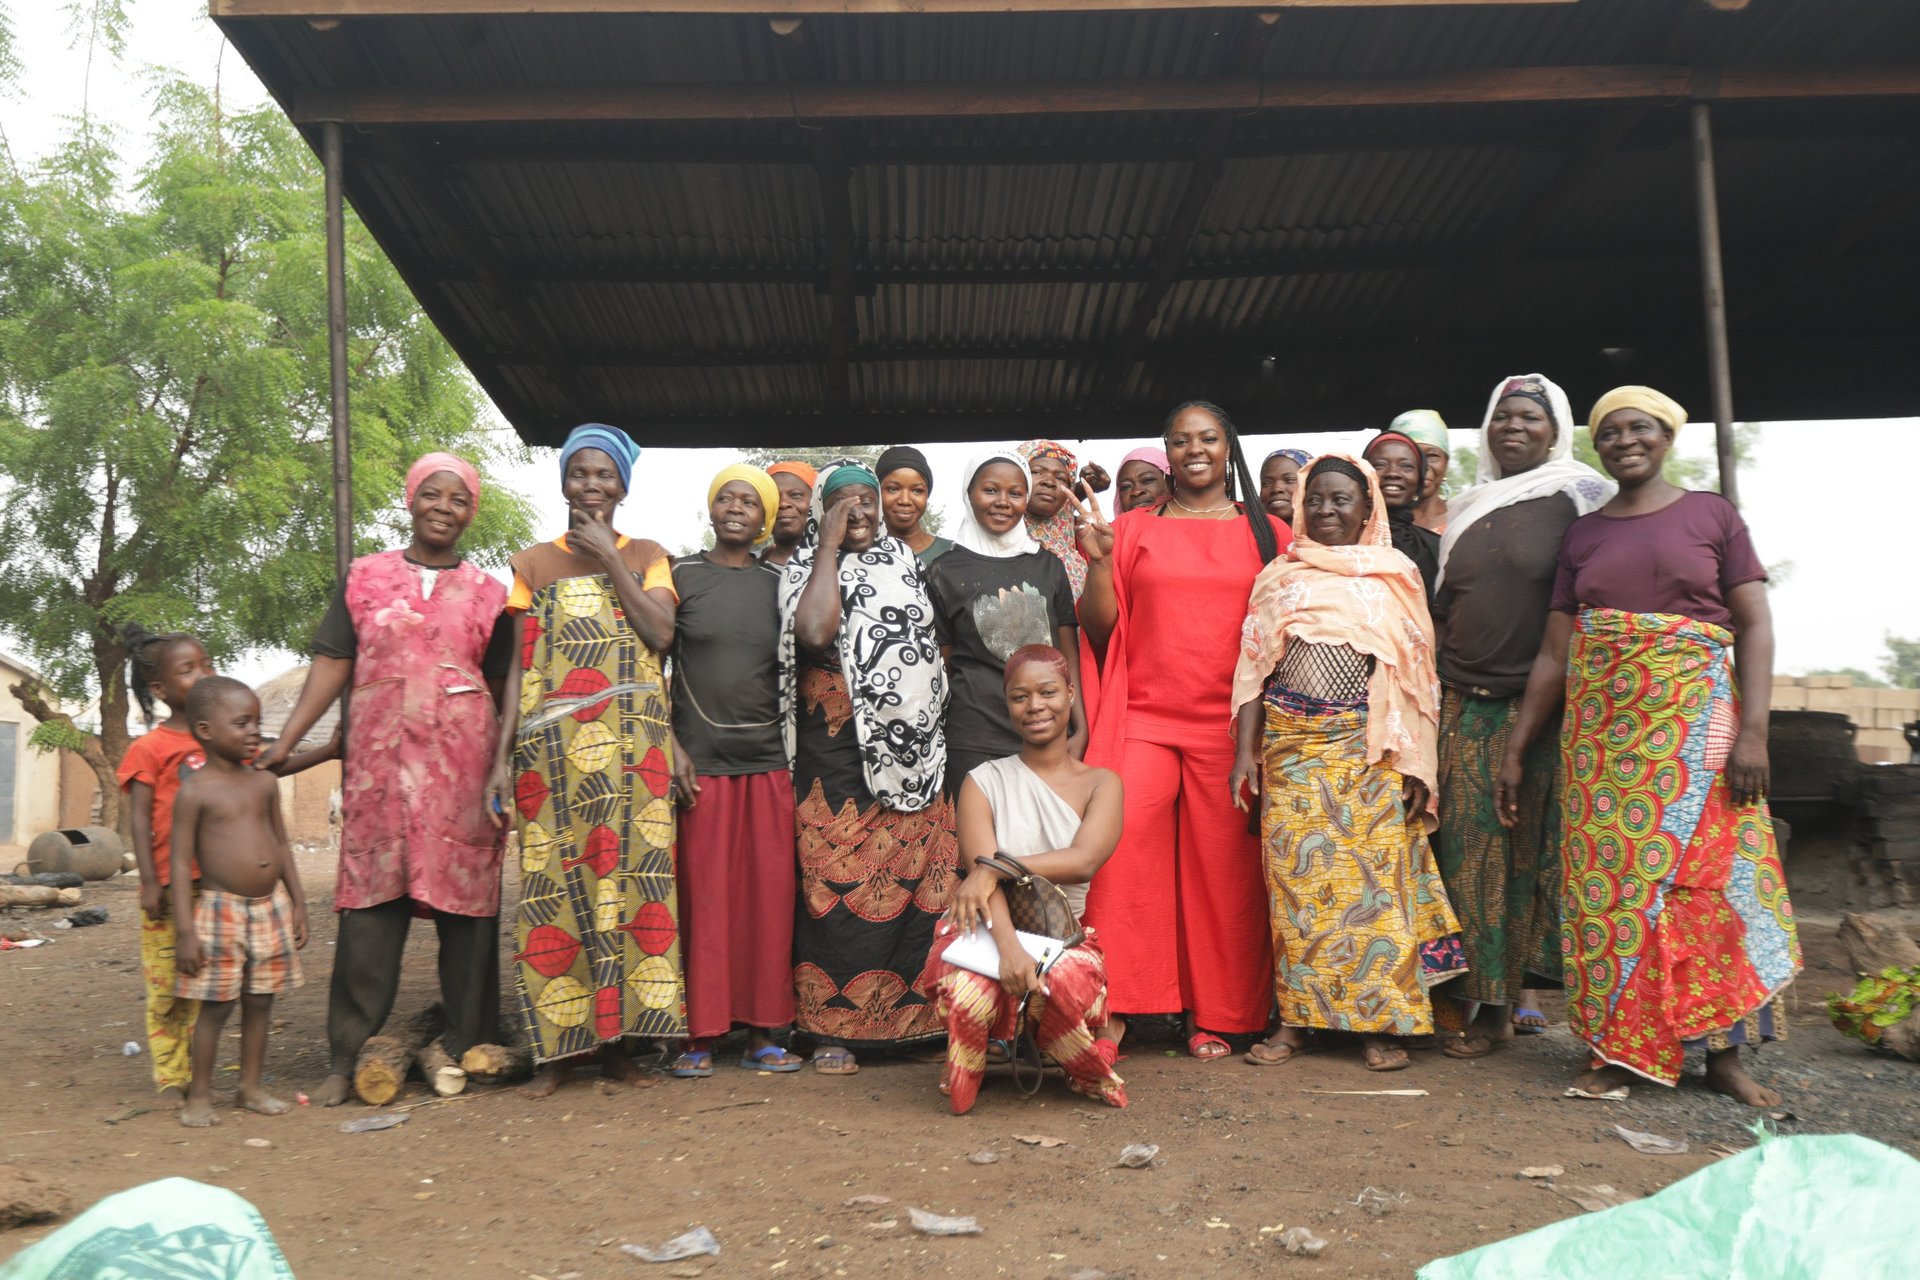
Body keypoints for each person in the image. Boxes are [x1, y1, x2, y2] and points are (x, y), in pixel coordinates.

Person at [1497, 385, 1800, 1106]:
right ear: (1596, 447)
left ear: (1665, 437)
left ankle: (1722, 1056)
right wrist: (1517, 746)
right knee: (1611, 894)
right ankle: (1617, 1049)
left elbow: (1754, 623)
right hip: (1602, 745)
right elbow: (1554, 654)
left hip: (1698, 728)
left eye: (1639, 429)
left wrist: (1753, 731)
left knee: (1709, 885)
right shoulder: (1586, 533)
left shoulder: (1711, 515)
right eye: (1610, 433)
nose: (1624, 441)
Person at [258, 451, 513, 1108]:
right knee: (370, 911)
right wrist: (288, 742)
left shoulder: (491, 593)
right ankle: (347, 1058)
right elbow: (331, 665)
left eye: (459, 499)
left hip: (464, 775)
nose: (445, 508)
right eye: (433, 494)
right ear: (411, 499)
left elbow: (508, 685)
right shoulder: (364, 580)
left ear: (470, 511)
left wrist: (503, 766)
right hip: (379, 774)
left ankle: (468, 1045)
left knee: (468, 912)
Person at [1229, 455, 1463, 1073]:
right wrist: (1242, 756)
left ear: (1368, 509)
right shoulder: (1279, 576)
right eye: (1318, 501)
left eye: (1342, 501)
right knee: (1295, 892)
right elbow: (1254, 667)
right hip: (1290, 750)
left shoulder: (1396, 576)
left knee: (1374, 888)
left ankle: (1379, 1022)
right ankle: (1296, 1022)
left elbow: (1416, 679)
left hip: (1369, 748)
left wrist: (1417, 765)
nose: (1328, 512)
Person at [1072, 401, 1291, 1058]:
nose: (1194, 450)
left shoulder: (1270, 531)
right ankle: (1112, 1008)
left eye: (1208, 439)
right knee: (1119, 854)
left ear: (1229, 447)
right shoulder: (1132, 527)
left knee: (1225, 870)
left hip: (1231, 728)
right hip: (1145, 716)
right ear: (1167, 453)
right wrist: (1101, 565)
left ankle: (1221, 1015)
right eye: (1180, 441)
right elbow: (1102, 629)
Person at [486, 424, 688, 1097]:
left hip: (636, 755)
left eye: (605, 476)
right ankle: (556, 1055)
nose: (592, 486)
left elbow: (660, 634)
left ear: (623, 486)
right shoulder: (531, 563)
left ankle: (622, 1050)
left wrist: (609, 559)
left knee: (630, 890)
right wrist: (499, 759)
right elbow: (517, 669)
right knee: (551, 895)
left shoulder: (653, 556)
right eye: (580, 474)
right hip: (552, 760)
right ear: (564, 481)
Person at [1430, 374, 1613, 1056]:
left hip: (1542, 709)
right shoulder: (1469, 506)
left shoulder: (1582, 498)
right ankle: (1487, 1006)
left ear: (1557, 429)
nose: (1514, 427)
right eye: (1503, 416)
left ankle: (1546, 1008)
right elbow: (1448, 608)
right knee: (1471, 860)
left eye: (1531, 417)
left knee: (1534, 856)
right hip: (1463, 704)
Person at [779, 460, 957, 1075]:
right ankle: (834, 1029)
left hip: (913, 753)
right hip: (834, 756)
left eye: (866, 499)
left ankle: (919, 1022)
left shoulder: (904, 562)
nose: (858, 510)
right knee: (833, 879)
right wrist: (827, 545)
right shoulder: (805, 564)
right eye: (842, 501)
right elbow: (814, 629)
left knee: (917, 880)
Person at [919, 645, 1128, 1113]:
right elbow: (980, 886)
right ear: (1007, 704)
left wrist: (996, 865)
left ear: (1071, 695)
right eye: (1020, 697)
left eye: (1048, 692)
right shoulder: (981, 780)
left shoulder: (1102, 784)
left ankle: (1091, 1044)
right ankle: (973, 1057)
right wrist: (1010, 949)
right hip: (988, 931)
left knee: (1065, 982)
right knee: (968, 988)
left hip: (1059, 937)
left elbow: (1082, 861)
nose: (1035, 706)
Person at [667, 464, 801, 1078]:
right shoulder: (680, 576)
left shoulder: (782, 582)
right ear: (712, 508)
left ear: (766, 515)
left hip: (770, 760)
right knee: (705, 901)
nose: (739, 508)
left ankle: (760, 1033)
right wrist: (669, 743)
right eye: (728, 497)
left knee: (766, 903)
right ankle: (698, 1034)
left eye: (752, 500)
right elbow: (650, 664)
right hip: (701, 765)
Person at [170, 677, 310, 1128]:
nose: (255, 731)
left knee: (261, 1000)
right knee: (216, 1006)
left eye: (258, 722)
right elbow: (176, 864)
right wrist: (185, 932)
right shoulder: (195, 791)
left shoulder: (264, 783)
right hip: (218, 910)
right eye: (243, 723)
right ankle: (200, 1095)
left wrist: (299, 903)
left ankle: (249, 1087)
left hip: (269, 908)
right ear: (207, 730)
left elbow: (282, 845)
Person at [925, 451, 1085, 792]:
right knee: (981, 841)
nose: (1003, 502)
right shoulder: (944, 571)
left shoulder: (1048, 566)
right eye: (990, 490)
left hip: (1047, 729)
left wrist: (1079, 727)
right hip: (974, 734)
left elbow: (1068, 657)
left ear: (1025, 499)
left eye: (1015, 493)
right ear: (969, 494)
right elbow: (945, 662)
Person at [1361, 431, 1442, 609]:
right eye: (1380, 465)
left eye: (1406, 466)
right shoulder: (1343, 543)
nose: (1392, 473)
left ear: (1419, 482)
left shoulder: (1436, 548)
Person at [1017, 439, 1089, 599]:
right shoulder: (991, 549)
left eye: (1061, 478)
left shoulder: (1077, 562)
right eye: (1036, 472)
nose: (1049, 482)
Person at [876, 446, 953, 567]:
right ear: (877, 492)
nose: (905, 500)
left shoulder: (952, 553)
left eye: (917, 491)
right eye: (893, 489)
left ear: (927, 495)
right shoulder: (861, 556)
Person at [1389, 410, 1452, 533]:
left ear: (1446, 464)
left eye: (1432, 456)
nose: (1423, 466)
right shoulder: (1375, 522)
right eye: (1411, 456)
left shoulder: (1464, 519)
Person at [761, 461, 817, 567]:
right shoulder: (749, 566)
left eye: (795, 495)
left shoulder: (838, 564)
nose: (783, 504)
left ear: (816, 501)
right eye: (775, 497)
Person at [1112, 447, 1171, 514]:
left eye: (1148, 480)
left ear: (1170, 482)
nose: (1136, 492)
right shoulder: (1115, 524)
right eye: (1126, 487)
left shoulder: (1185, 523)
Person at [1258, 448, 1309, 525]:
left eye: (1289, 480)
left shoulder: (1328, 535)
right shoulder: (1247, 535)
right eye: (1266, 483)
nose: (1276, 489)